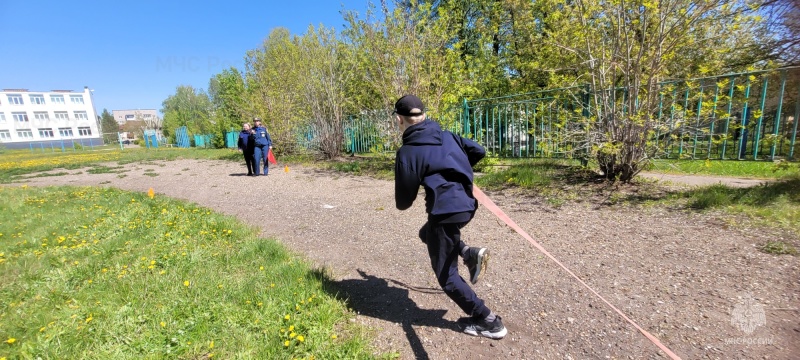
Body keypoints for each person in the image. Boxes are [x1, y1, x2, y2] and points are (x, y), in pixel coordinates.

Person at [393, 94, 507, 339]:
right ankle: (468, 253)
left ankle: (488, 321)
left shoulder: (408, 152)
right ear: (424, 115)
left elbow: (403, 202)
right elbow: (478, 150)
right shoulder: (448, 135)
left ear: (400, 120)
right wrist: (456, 170)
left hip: (445, 212)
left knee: (447, 277)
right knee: (427, 233)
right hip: (466, 205)